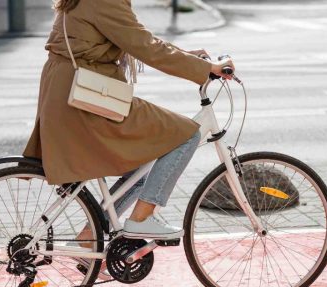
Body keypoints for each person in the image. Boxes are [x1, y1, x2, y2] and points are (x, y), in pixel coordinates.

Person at [22, 0, 235, 249]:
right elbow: (144, 46)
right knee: (186, 135)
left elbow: (133, 37)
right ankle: (141, 218)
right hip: (84, 97)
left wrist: (189, 57)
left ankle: (88, 239)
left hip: (74, 91)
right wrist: (206, 68)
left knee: (144, 160)